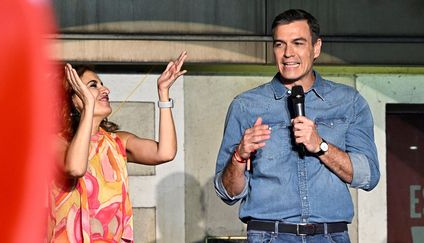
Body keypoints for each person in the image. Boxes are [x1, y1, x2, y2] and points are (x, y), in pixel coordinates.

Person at [214, 9, 380, 243]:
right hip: (268, 236)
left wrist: (320, 146)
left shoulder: (348, 102)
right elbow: (227, 192)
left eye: (298, 43)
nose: (288, 54)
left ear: (316, 48)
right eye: (280, 44)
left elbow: (368, 175)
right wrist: (239, 157)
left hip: (329, 236)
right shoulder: (246, 106)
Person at [48, 51, 187, 242]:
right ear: (73, 99)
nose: (105, 90)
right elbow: (75, 167)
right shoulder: (55, 142)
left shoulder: (116, 141)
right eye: (93, 85)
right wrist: (89, 106)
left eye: (102, 84)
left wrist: (164, 94)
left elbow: (165, 152)